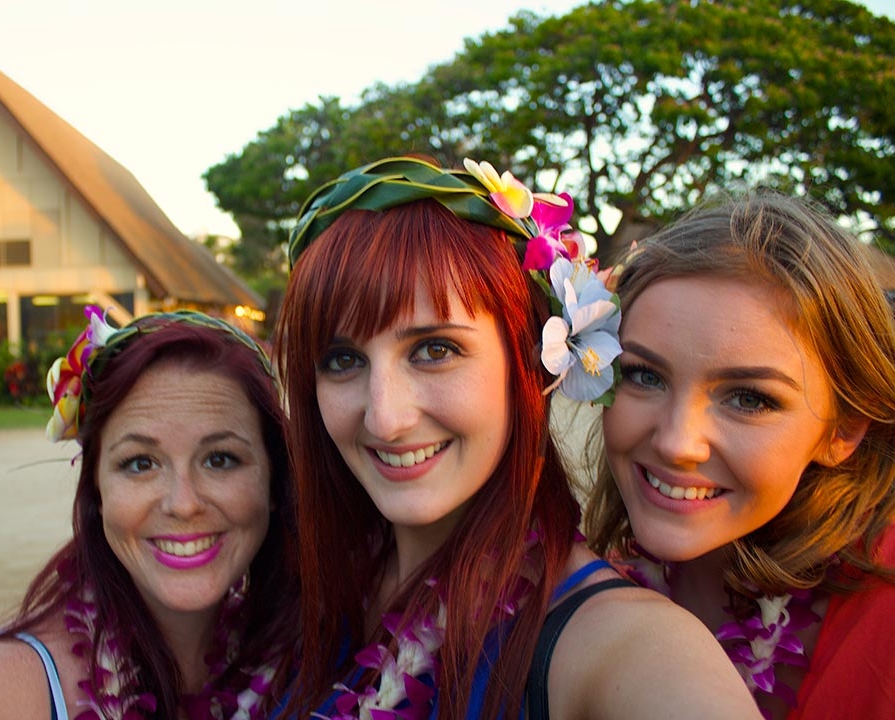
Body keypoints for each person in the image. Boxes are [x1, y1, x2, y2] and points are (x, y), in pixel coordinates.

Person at [269, 156, 761, 719]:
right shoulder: (301, 589)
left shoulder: (629, 650)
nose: (385, 418)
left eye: (435, 350)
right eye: (343, 359)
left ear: (535, 360)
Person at [0, 307, 297, 720]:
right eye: (140, 463)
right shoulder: (0, 693)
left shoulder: (303, 667)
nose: (183, 503)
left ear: (274, 480)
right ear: (96, 490)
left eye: (221, 459)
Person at [585, 193, 895, 720]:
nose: (677, 443)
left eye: (750, 398)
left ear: (843, 431)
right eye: (644, 375)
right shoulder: (576, 599)